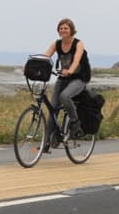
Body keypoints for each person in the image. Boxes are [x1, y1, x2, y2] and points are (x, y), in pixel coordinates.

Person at [43, 18, 88, 151]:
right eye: (61, 28)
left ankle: (75, 122)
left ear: (71, 30)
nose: (63, 30)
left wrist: (70, 70)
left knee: (65, 96)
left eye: (66, 28)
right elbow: (45, 57)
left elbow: (76, 60)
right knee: (53, 109)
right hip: (63, 78)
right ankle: (47, 142)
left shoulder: (78, 44)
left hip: (79, 78)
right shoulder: (56, 44)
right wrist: (30, 65)